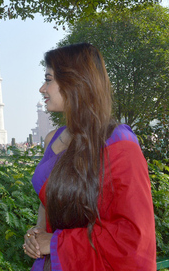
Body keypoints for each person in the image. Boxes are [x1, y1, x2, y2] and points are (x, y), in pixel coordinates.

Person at [23, 43, 156, 270]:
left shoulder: (118, 144)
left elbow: (134, 236)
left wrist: (55, 243)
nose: (42, 89)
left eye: (48, 79)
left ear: (74, 82)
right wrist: (35, 236)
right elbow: (47, 202)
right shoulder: (53, 139)